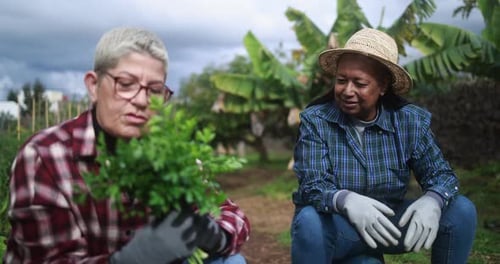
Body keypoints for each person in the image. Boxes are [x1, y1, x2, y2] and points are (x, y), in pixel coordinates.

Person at [4, 27, 250, 264]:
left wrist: (216, 233)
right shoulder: (45, 157)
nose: (142, 100)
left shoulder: (171, 154)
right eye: (126, 84)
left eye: (154, 90)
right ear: (93, 86)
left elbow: (232, 213)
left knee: (231, 261)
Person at [290, 28, 477, 263]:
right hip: (339, 229)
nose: (348, 91)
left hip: (388, 224)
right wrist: (345, 200)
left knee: (461, 211)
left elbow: (441, 174)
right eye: (341, 80)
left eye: (360, 83)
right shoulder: (316, 120)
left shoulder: (409, 121)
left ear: (383, 86)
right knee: (309, 220)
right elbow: (312, 184)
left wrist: (434, 200)